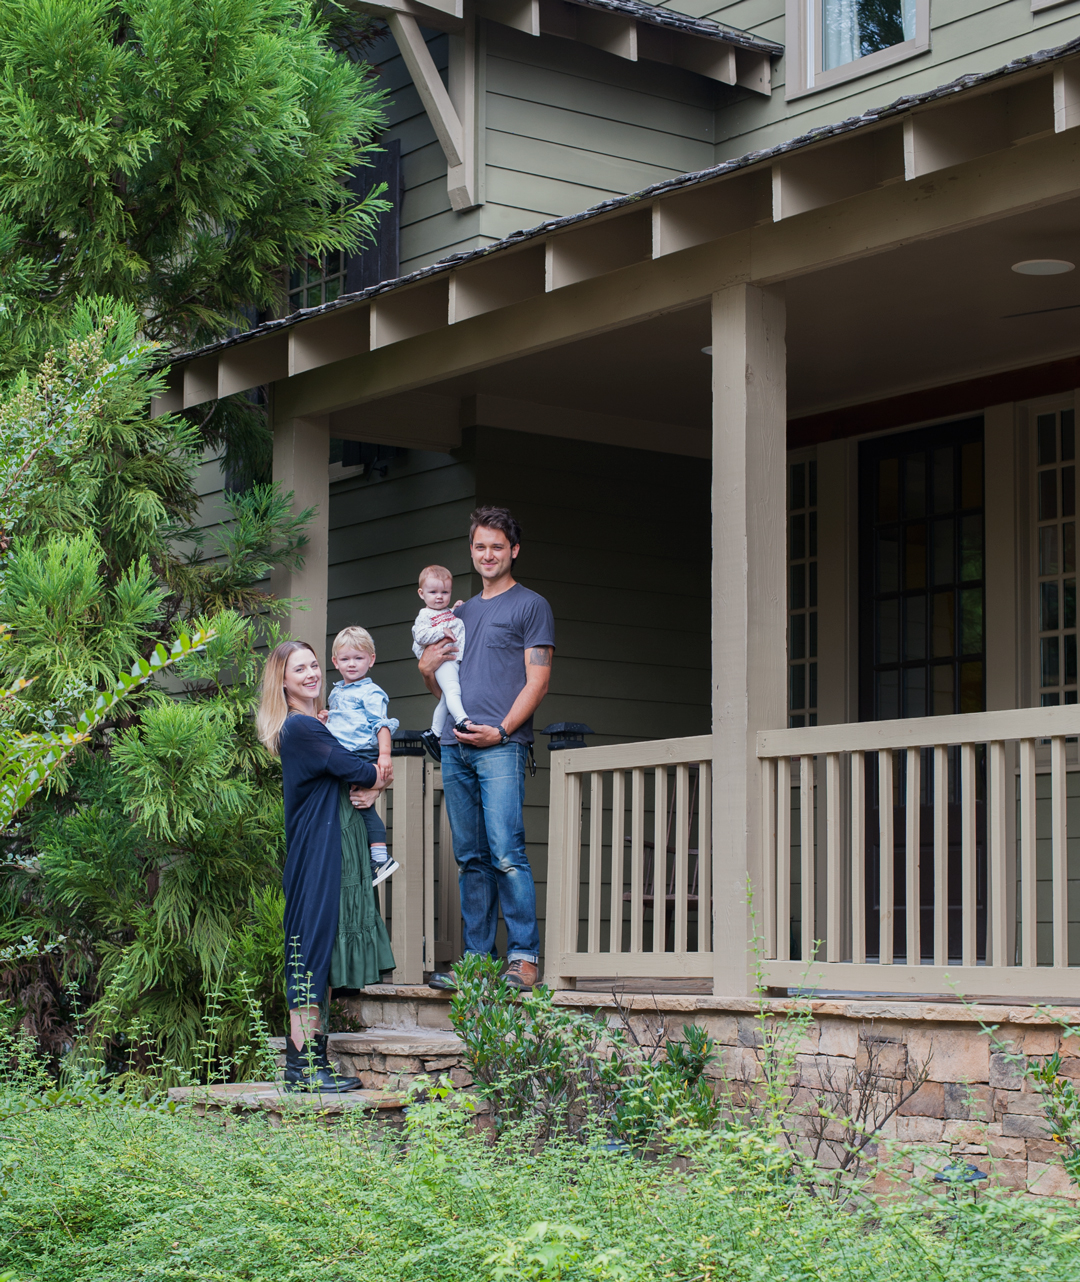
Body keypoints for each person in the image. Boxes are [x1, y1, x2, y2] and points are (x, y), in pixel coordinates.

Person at [419, 506, 554, 993]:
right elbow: (448, 687)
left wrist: (501, 730)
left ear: (513, 550)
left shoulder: (530, 605)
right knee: (470, 858)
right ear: (471, 551)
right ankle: (477, 960)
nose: (488, 554)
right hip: (456, 746)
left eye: (497, 546)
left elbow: (537, 681)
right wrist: (425, 671)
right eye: (480, 546)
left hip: (501, 747)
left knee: (506, 854)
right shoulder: (458, 613)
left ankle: (523, 957)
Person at [257, 639, 396, 1092]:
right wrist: (378, 777)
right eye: (301, 670)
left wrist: (372, 780)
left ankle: (312, 1062)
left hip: (321, 852)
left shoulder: (314, 725)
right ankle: (302, 1068)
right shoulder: (303, 729)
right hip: (315, 855)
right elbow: (357, 769)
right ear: (283, 681)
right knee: (308, 959)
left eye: (315, 665)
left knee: (316, 957)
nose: (313, 674)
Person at [320, 625, 400, 887]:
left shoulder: (371, 692)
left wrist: (384, 756)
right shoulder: (336, 692)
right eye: (345, 659)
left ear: (371, 659)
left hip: (362, 753)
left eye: (358, 658)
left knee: (362, 804)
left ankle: (380, 858)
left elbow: (381, 725)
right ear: (335, 662)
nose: (351, 664)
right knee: (355, 802)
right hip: (343, 753)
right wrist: (325, 719)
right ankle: (366, 855)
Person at [411, 564, 471, 760]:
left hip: (452, 658)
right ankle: (462, 721)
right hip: (443, 659)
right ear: (422, 593)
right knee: (453, 690)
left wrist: (454, 610)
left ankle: (434, 732)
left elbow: (447, 620)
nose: (439, 596)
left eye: (445, 592)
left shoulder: (443, 611)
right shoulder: (425, 615)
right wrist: (441, 632)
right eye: (433, 592)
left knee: (447, 697)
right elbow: (420, 635)